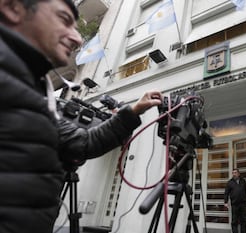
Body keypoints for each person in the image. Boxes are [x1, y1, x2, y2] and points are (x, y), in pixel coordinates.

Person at [0, 1, 162, 232]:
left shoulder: (34, 94)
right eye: (64, 20)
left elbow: (83, 143)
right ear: (12, 8)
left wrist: (134, 110)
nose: (77, 38)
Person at [224, 168, 246, 233]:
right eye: (233, 173)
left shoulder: (243, 181)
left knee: (244, 220)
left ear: (238, 174)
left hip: (243, 204)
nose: (234, 174)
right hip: (235, 204)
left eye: (235, 173)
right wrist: (225, 202)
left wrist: (244, 198)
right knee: (234, 221)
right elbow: (226, 193)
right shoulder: (230, 182)